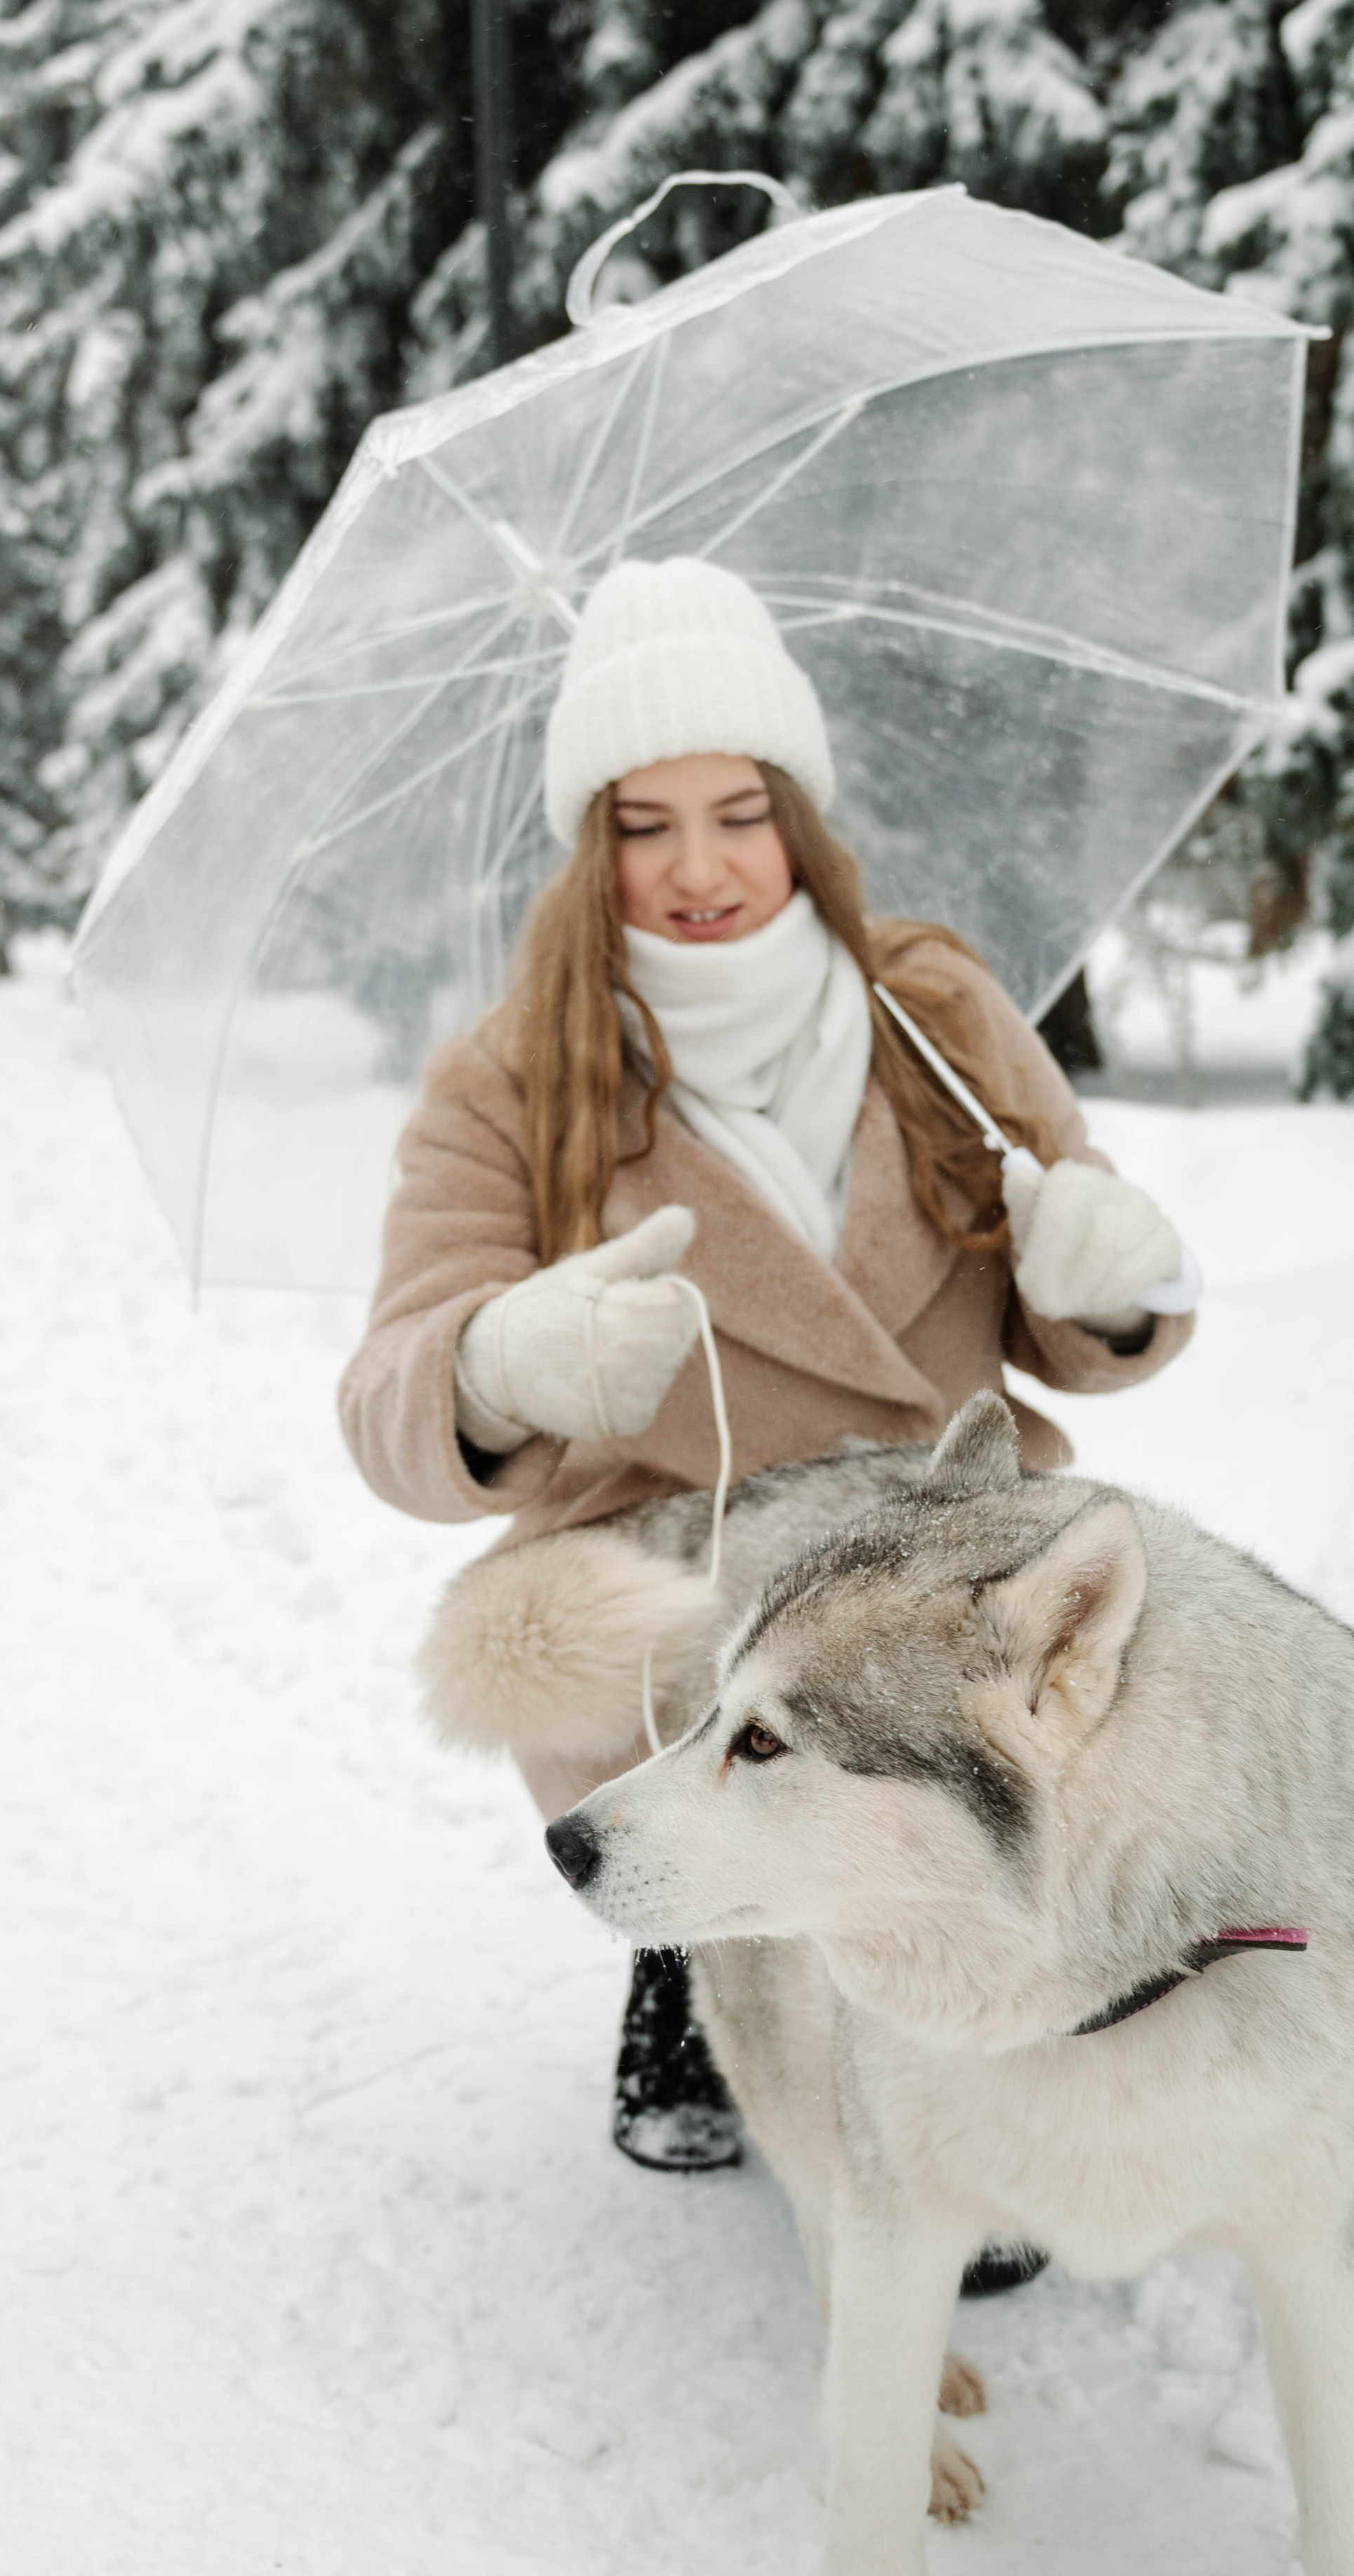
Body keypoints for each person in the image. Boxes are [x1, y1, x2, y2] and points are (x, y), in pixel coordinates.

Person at [339, 555, 1194, 2231]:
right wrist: (496, 1363)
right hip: (684, 1572)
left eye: (737, 811)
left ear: (797, 811)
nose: (700, 868)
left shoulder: (934, 1012)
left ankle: (984, 2049)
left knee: (977, 1753)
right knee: (701, 1697)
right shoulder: (516, 1077)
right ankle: (687, 1950)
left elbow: (1073, 1281)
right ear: (589, 847)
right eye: (642, 825)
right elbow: (388, 1390)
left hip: (936, 1538)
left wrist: (1108, 1287)